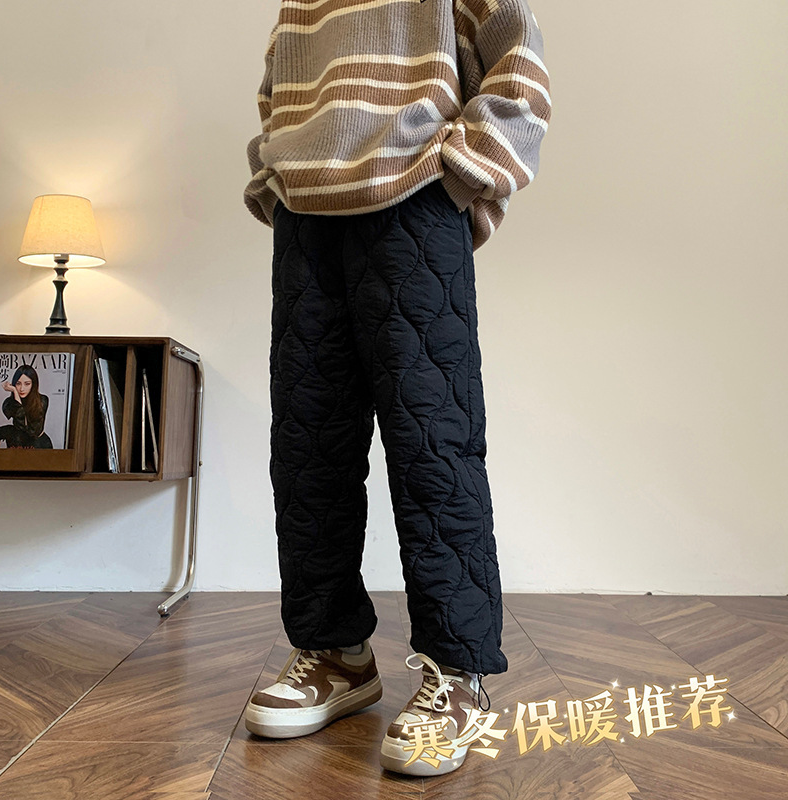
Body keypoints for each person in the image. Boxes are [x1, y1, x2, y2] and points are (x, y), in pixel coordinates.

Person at [242, 0, 551, 776]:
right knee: (307, 445)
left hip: (415, 199)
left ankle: (458, 672)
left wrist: (463, 174)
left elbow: (517, 59)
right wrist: (276, 175)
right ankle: (335, 654)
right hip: (308, 218)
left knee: (433, 445)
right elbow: (278, 83)